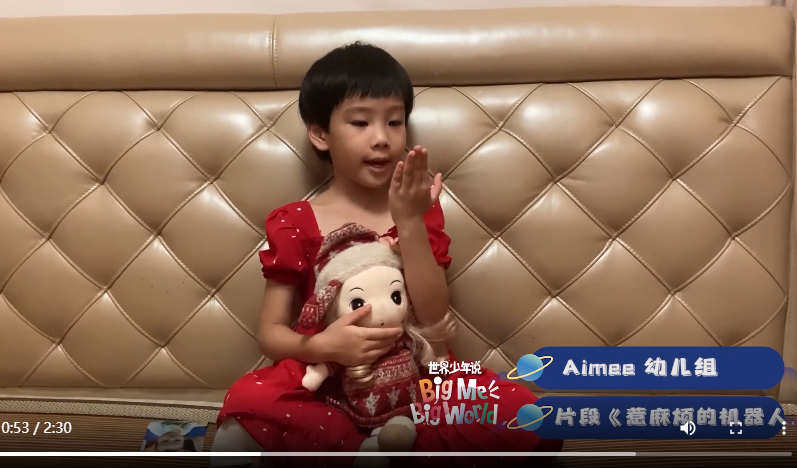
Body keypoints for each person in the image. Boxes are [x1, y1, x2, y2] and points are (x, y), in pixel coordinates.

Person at [212, 42, 562, 468]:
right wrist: (323, 345)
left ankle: (386, 444)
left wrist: (409, 222)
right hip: (327, 380)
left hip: (420, 375)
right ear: (320, 134)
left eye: (395, 122)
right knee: (246, 404)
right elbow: (271, 334)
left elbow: (434, 320)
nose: (381, 138)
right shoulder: (294, 221)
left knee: (527, 416)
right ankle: (368, 448)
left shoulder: (419, 210)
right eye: (360, 122)